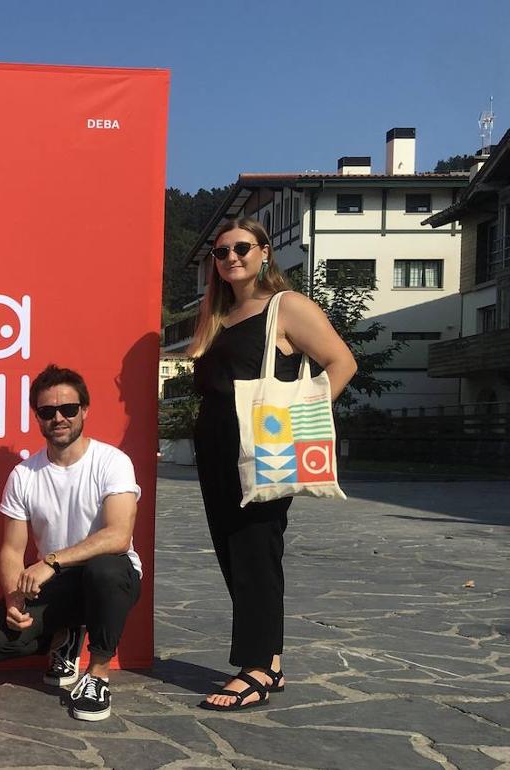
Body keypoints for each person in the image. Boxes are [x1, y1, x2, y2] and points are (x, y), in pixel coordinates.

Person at [188, 217, 356, 711]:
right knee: (233, 554)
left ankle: (258, 668)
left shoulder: (287, 307)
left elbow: (342, 362)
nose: (231, 258)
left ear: (264, 251)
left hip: (263, 449)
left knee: (257, 553)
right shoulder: (218, 316)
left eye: (241, 248)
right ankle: (270, 661)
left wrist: (303, 417)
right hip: (217, 448)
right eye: (221, 253)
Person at [0, 364, 143, 722]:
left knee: (105, 568)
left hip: (110, 578)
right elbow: (11, 550)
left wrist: (51, 562)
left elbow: (118, 536)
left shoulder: (112, 462)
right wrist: (12, 598)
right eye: (47, 412)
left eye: (68, 409)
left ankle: (97, 674)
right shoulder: (24, 475)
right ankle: (65, 636)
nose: (59, 418)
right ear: (37, 417)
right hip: (58, 586)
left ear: (85, 410)